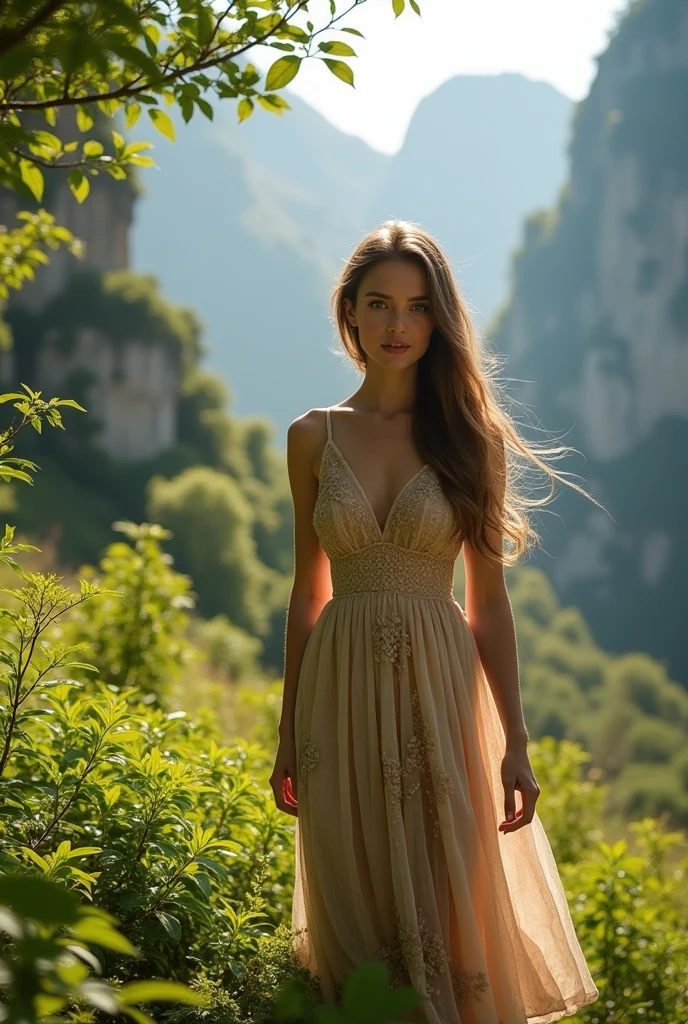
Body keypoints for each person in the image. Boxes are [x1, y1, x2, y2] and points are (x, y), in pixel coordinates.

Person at [271, 220, 601, 1023]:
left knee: (450, 908)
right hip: (339, 699)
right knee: (360, 911)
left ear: (438, 319)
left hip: (442, 692)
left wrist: (516, 741)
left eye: (417, 308)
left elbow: (489, 601)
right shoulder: (312, 437)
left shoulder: (468, 439)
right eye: (379, 304)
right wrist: (286, 732)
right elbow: (306, 592)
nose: (397, 325)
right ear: (348, 311)